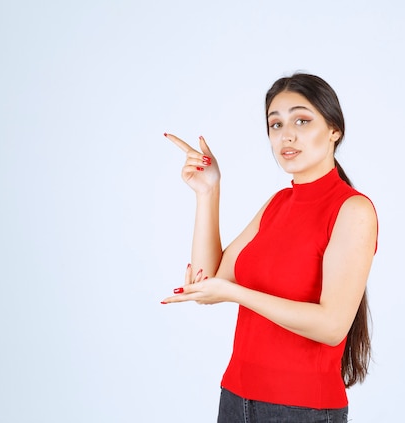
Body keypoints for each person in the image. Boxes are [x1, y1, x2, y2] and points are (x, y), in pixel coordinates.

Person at [161, 73, 378, 422]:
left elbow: (332, 325)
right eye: (275, 125)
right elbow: (207, 280)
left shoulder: (353, 210)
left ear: (334, 129)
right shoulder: (278, 203)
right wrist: (208, 191)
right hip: (235, 397)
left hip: (301, 409)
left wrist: (235, 293)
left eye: (302, 120)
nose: (286, 135)